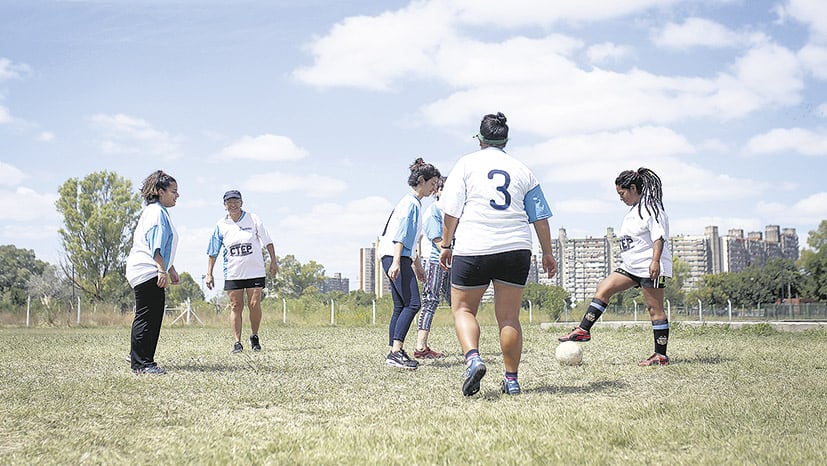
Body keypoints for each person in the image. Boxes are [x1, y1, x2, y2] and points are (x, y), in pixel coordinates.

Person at [439, 112, 557, 396]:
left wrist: (446, 245)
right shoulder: (523, 170)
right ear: (506, 140)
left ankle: (473, 359)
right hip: (516, 248)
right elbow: (540, 218)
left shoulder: (466, 164)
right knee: (509, 318)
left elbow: (451, 211)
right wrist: (548, 253)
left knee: (464, 309)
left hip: (474, 246)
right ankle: (512, 380)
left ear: (479, 139)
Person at [558, 167, 672, 366]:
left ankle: (660, 355)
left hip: (650, 266)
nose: (620, 198)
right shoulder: (633, 210)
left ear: (633, 188)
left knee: (654, 309)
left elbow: (659, 237)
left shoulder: (650, 207)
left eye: (622, 193)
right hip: (631, 267)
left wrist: (655, 261)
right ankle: (583, 330)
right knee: (603, 288)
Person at [378, 158, 441, 370]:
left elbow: (412, 240)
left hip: (391, 255)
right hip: (395, 256)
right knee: (413, 303)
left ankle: (393, 352)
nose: (435, 188)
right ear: (421, 181)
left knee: (400, 305)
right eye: (433, 183)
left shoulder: (411, 202)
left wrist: (418, 267)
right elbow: (401, 236)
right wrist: (396, 262)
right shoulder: (412, 204)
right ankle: (396, 352)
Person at [205, 190, 279, 354]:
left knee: (254, 304)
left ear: (241, 203)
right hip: (233, 272)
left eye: (236, 201)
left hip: (255, 270)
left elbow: (268, 241)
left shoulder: (253, 219)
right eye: (229, 202)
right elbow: (213, 251)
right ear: (225, 205)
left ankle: (254, 335)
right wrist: (209, 273)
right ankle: (237, 342)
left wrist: (274, 261)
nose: (233, 204)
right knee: (236, 305)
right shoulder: (221, 225)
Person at [126, 170, 180, 375]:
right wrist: (161, 269)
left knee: (148, 315)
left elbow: (164, 246)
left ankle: (137, 355)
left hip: (146, 268)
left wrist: (171, 268)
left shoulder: (156, 211)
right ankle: (142, 363)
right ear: (160, 191)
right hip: (148, 269)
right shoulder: (157, 213)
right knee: (148, 317)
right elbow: (155, 246)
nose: (177, 195)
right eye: (173, 191)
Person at [414, 176, 449, 359]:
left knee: (458, 302)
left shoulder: (450, 212)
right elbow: (438, 241)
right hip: (435, 261)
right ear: (437, 191)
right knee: (431, 300)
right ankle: (421, 346)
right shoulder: (433, 211)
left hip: (449, 261)